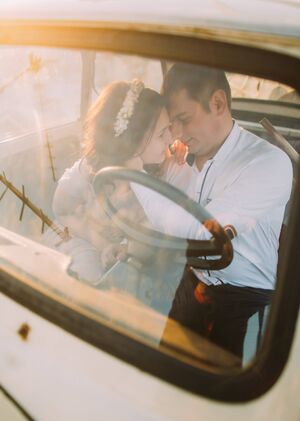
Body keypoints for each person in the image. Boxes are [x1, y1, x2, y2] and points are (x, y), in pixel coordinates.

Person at [132, 64, 293, 362]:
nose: (175, 133)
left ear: (218, 103)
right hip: (192, 279)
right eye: (172, 123)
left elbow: (205, 229)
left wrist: (133, 175)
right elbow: (167, 215)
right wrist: (164, 174)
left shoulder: (269, 163)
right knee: (166, 368)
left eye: (184, 119)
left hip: (245, 297)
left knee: (226, 394)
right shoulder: (184, 156)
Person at [49, 80, 172, 284]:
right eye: (161, 133)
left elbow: (149, 232)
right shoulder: (87, 173)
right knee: (88, 282)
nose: (171, 138)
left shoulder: (158, 174)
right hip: (76, 241)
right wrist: (101, 243)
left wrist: (125, 247)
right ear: (133, 140)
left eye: (169, 128)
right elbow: (62, 209)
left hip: (121, 256)